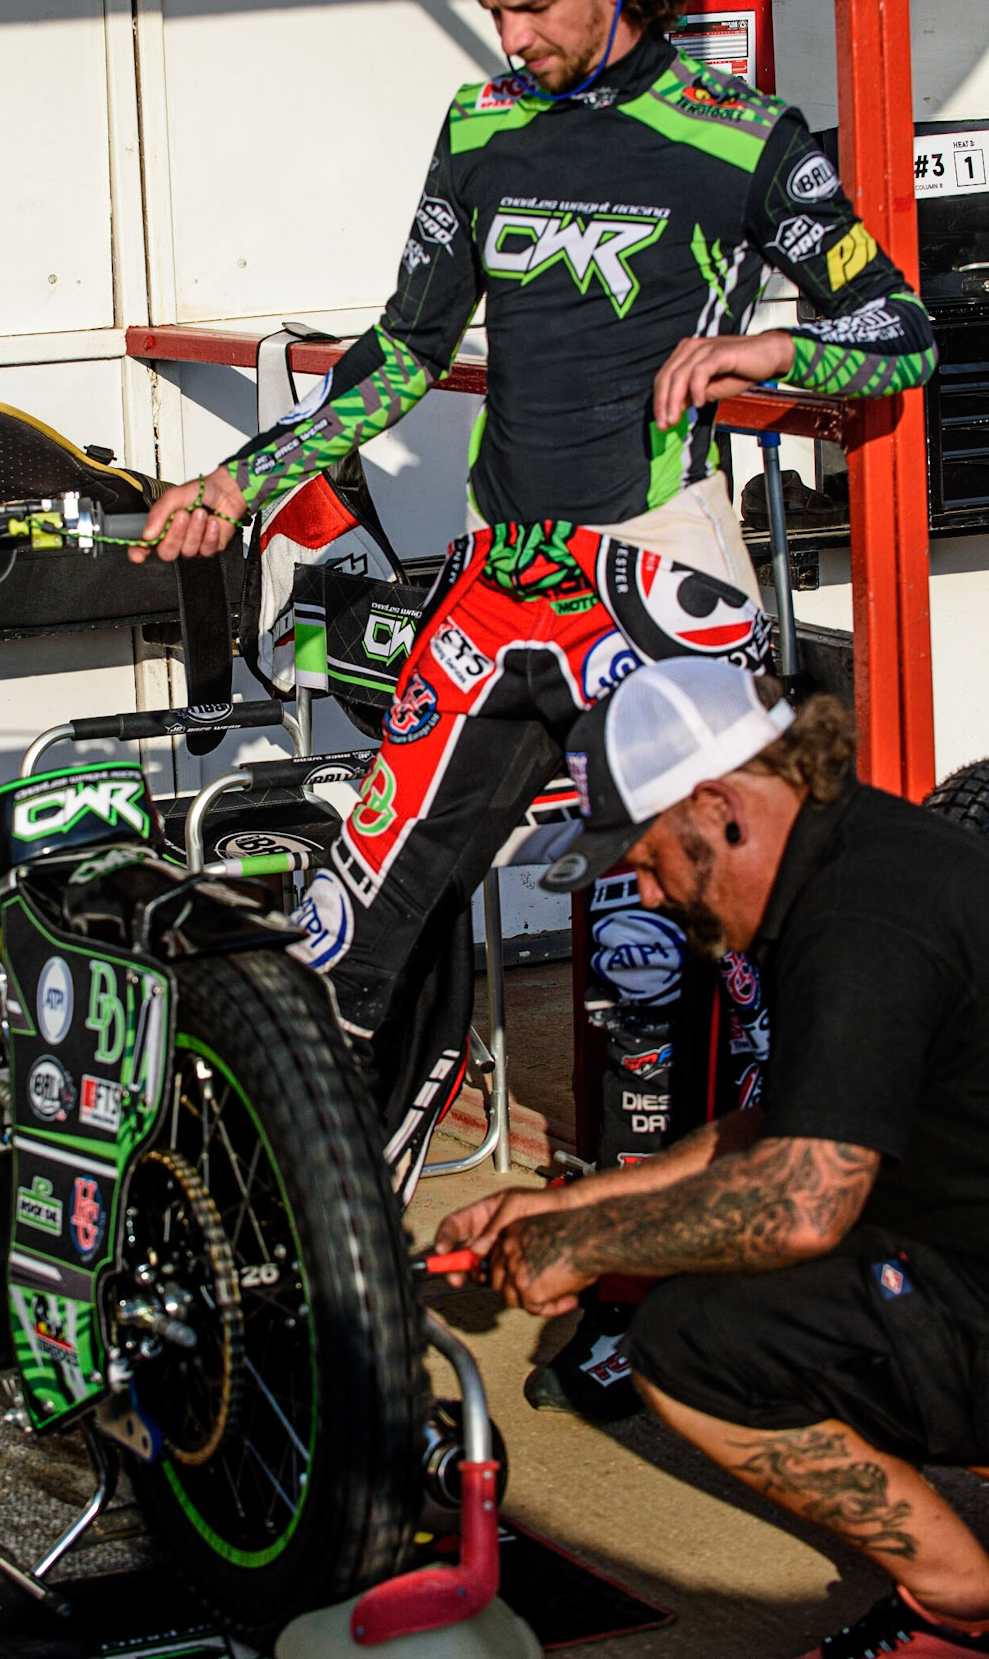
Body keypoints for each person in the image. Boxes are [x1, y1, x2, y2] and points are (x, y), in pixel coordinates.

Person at [128, 0, 935, 1205]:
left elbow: (894, 338)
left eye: (531, 12)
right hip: (500, 579)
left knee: (675, 953)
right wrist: (243, 481)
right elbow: (396, 353)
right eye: (492, 13)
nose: (509, 39)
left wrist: (764, 360)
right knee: (352, 919)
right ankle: (316, 1253)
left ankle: (656, 1282)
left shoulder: (740, 137)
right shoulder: (482, 125)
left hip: (656, 577)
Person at [437, 656, 989, 1659]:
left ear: (715, 804)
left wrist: (589, 1247)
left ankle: (960, 1601)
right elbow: (779, 1128)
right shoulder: (860, 852)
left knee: (695, 1338)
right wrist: (561, 1211)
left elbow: (800, 1202)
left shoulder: (858, 922)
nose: (645, 894)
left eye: (647, 860)